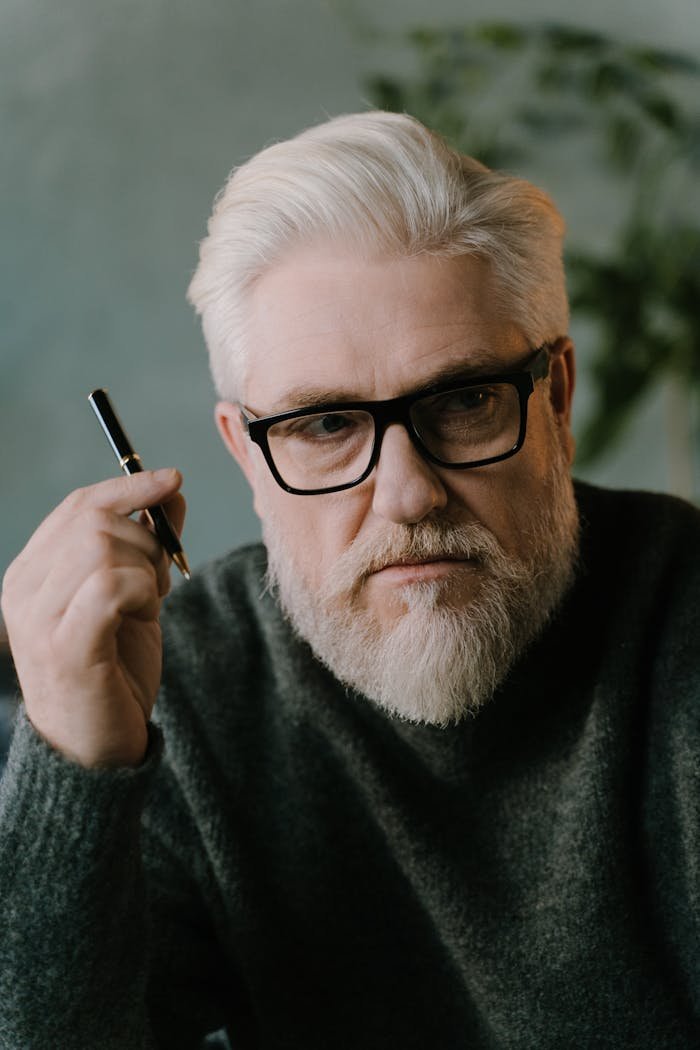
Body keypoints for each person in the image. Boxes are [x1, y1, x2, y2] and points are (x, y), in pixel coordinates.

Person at [0, 111, 698, 1049]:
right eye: (326, 425)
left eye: (463, 401)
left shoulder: (684, 625)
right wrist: (76, 763)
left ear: (557, 400)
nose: (408, 495)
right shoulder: (187, 685)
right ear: (246, 457)